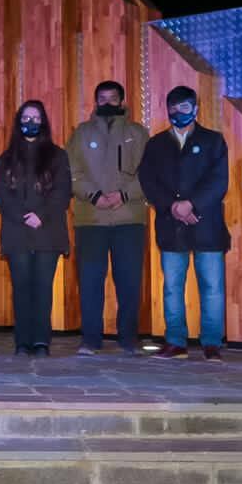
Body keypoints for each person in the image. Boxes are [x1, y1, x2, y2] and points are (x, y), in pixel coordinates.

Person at [138, 86, 230, 361]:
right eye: (173, 108)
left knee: (212, 287)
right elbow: (148, 181)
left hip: (207, 225)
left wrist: (192, 205)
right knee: (172, 286)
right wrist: (173, 207)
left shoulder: (214, 141)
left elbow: (218, 182)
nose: (178, 113)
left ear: (196, 109)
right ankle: (175, 341)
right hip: (171, 224)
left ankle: (212, 343)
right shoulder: (155, 144)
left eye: (184, 107)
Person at [66, 81, 151, 355]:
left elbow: (149, 172)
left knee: (129, 281)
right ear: (95, 102)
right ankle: (90, 339)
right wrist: (94, 196)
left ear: (122, 101)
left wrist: (124, 195)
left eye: (112, 98)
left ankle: (128, 339)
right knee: (90, 281)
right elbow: (71, 172)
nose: (106, 103)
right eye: (101, 98)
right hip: (91, 219)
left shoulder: (138, 133)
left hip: (129, 218)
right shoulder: (81, 133)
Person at [0, 100, 71, 357]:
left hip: (48, 231)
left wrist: (42, 215)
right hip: (17, 232)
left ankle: (41, 341)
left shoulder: (58, 156)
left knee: (42, 287)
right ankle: (22, 342)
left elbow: (62, 192)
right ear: (19, 121)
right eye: (26, 117)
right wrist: (23, 216)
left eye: (36, 117)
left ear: (44, 122)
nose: (31, 122)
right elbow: (2, 195)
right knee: (22, 287)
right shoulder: (5, 159)